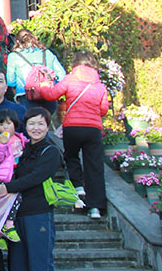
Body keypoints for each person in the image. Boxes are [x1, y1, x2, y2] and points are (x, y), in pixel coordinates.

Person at [0, 108, 62, 271]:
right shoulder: (23, 150)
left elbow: (36, 177)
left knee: (40, 267)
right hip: (17, 216)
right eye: (32, 124)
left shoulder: (50, 151)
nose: (36, 128)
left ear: (48, 126)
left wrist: (9, 187)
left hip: (39, 214)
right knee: (18, 269)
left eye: (40, 124)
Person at [35, 51, 110, 219]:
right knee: (94, 166)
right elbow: (103, 110)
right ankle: (95, 208)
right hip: (93, 129)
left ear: (75, 63)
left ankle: (78, 186)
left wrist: (44, 85)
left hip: (72, 127)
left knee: (71, 156)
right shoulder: (100, 86)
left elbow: (51, 95)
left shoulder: (70, 79)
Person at [0, 109, 27, 250]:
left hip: (15, 173)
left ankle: (1, 230)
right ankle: (6, 227)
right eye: (1, 124)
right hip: (1, 175)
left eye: (8, 124)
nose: (5, 127)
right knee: (6, 201)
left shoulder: (20, 139)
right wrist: (2, 144)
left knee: (16, 198)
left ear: (15, 124)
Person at [6, 30, 67, 115]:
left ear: (17, 41)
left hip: (26, 97)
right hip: (48, 97)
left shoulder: (14, 56)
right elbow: (62, 75)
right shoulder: (46, 53)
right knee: (46, 121)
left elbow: (10, 81)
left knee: (30, 121)